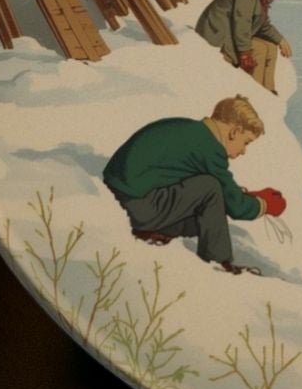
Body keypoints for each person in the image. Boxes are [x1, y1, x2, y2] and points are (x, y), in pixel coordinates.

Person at [101, 95, 286, 273]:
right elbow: (236, 207)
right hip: (137, 207)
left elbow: (183, 175)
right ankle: (217, 262)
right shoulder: (209, 148)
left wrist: (239, 194)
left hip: (121, 195)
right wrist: (265, 205)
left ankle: (151, 232)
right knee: (209, 187)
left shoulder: (190, 130)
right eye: (246, 142)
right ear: (234, 132)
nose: (244, 151)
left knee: (206, 217)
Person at [196, 0, 293, 95]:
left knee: (271, 47)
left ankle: (268, 92)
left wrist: (280, 39)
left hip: (231, 35)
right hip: (217, 38)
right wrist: (245, 52)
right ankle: (254, 93)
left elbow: (262, 25)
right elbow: (241, 24)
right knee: (259, 50)